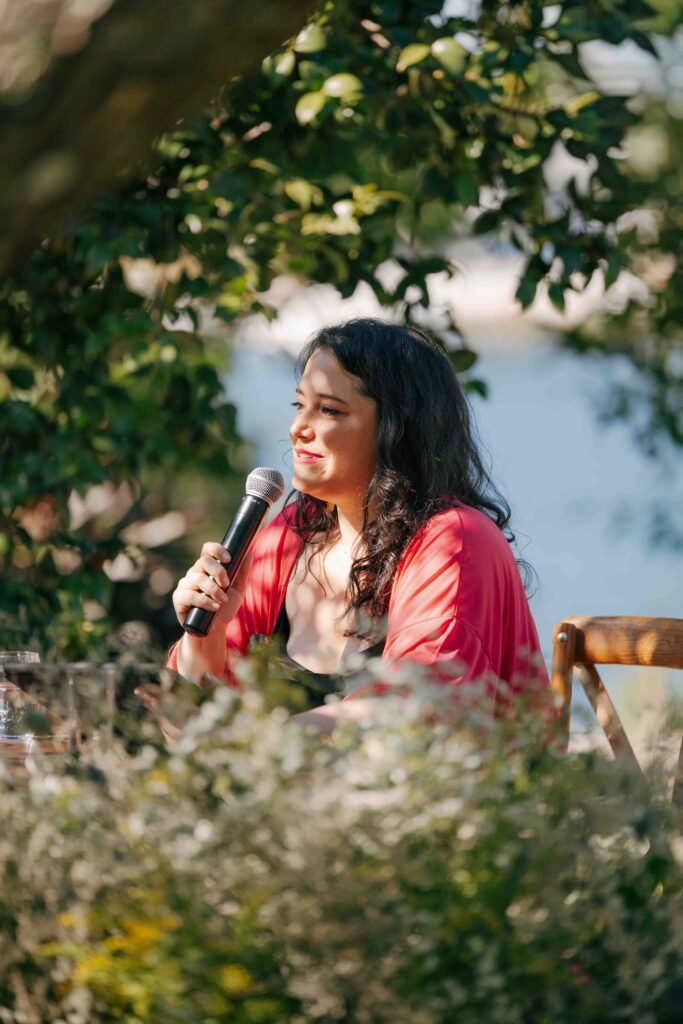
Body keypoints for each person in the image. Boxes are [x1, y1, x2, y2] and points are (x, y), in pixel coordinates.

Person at [168, 318, 549, 734]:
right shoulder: (290, 535)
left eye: (329, 410)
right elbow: (185, 728)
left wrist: (256, 743)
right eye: (300, 405)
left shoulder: (454, 541)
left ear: (396, 429)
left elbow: (416, 712)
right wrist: (206, 637)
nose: (298, 428)